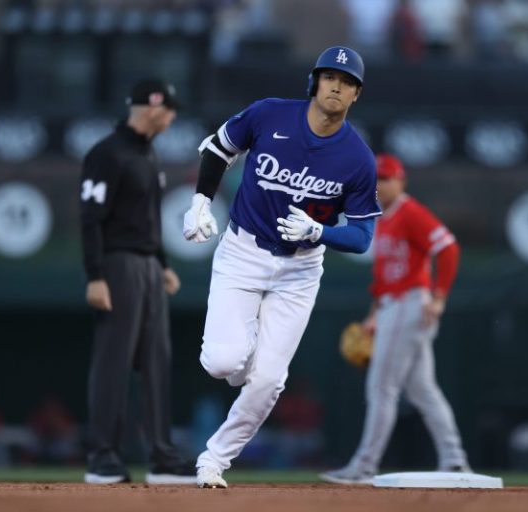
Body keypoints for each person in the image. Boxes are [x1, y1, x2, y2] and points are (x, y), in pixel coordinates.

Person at [182, 46, 381, 488]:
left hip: (300, 270)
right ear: (314, 82)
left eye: (347, 82)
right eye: (330, 77)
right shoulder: (270, 114)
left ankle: (214, 460)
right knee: (222, 363)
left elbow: (363, 236)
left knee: (269, 380)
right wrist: (200, 203)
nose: (336, 87)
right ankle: (245, 350)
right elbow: (218, 148)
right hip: (243, 252)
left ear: (356, 95)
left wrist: (319, 231)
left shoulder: (358, 158)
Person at [320, 154, 470, 485]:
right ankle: (454, 459)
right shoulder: (382, 218)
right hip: (392, 305)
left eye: (386, 179)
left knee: (381, 387)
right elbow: (384, 275)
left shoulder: (409, 211)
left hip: (409, 303)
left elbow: (448, 247)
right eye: (375, 179)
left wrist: (440, 296)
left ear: (401, 181)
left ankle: (364, 465)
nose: (379, 185)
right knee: (423, 391)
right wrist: (374, 315)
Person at [80, 78, 196, 485]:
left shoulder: (148, 154)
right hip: (117, 265)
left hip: (147, 266)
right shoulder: (107, 153)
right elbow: (90, 219)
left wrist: (162, 263)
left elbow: (148, 220)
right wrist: (95, 276)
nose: (173, 117)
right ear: (154, 108)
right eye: (171, 110)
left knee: (156, 361)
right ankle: (102, 456)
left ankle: (162, 456)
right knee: (113, 360)